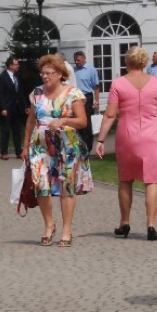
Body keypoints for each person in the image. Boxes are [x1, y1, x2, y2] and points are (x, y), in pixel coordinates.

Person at [94, 47, 157, 241]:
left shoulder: (118, 83)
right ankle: (151, 224)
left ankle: (125, 221)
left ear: (127, 62)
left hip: (127, 134)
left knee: (126, 179)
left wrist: (101, 139)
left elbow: (110, 115)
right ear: (145, 62)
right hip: (152, 134)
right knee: (152, 180)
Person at [23, 54, 94, 247]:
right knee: (40, 184)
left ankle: (67, 230)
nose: (45, 76)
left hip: (67, 146)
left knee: (67, 187)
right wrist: (25, 146)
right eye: (43, 73)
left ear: (60, 74)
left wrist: (64, 120)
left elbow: (82, 121)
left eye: (49, 73)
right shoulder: (36, 93)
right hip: (40, 145)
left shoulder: (73, 93)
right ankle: (49, 225)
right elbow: (30, 122)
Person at [0, 56, 28, 159]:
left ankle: (18, 151)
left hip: (17, 107)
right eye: (16, 64)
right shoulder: (2, 77)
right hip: (7, 107)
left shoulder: (17, 76)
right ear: (10, 65)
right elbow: (1, 93)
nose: (18, 66)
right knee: (6, 130)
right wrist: (3, 108)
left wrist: (25, 105)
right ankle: (4, 152)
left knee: (17, 130)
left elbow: (21, 92)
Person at [72, 51, 100, 150]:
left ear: (84, 59)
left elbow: (96, 87)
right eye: (75, 60)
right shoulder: (74, 70)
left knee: (86, 122)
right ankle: (79, 144)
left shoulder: (91, 70)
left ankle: (88, 146)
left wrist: (96, 101)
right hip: (76, 97)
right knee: (77, 121)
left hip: (87, 97)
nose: (76, 62)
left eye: (78, 60)